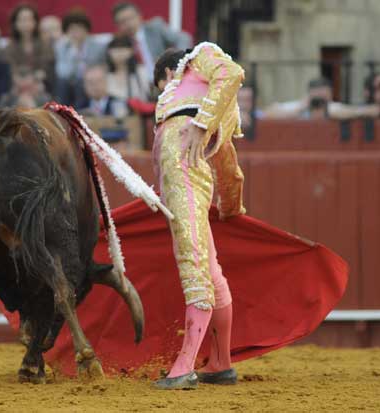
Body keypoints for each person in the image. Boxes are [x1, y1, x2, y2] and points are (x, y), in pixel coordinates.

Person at [152, 43, 246, 390]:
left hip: (181, 168)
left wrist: (200, 122)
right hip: (190, 173)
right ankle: (220, 362)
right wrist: (231, 208)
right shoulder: (220, 107)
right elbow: (229, 166)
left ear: (166, 75)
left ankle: (185, 366)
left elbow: (233, 72)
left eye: (161, 88)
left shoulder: (197, 61)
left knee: (191, 260)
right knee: (210, 269)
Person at [112, 2, 191, 79]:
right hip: (141, 87)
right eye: (122, 21)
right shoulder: (119, 44)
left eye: (130, 18)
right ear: (117, 26)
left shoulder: (155, 27)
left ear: (139, 16)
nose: (128, 24)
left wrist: (179, 62)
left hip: (165, 80)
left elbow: (183, 38)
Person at [54, 9, 105, 106]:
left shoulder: (97, 46)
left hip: (90, 82)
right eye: (72, 29)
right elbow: (62, 72)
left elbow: (98, 69)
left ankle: (79, 113)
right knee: (62, 83)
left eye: (79, 28)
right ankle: (61, 113)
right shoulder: (62, 47)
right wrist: (73, 53)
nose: (76, 32)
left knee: (79, 83)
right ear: (67, 31)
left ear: (86, 29)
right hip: (68, 84)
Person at [0, 3, 54, 91]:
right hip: (17, 86)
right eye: (21, 20)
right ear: (15, 23)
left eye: (29, 19)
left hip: (41, 85)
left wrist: (35, 79)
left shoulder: (45, 45)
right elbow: (10, 70)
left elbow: (47, 67)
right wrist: (22, 81)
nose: (25, 23)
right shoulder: (8, 48)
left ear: (35, 22)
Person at [105, 35, 150, 102]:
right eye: (115, 48)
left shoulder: (140, 71)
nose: (119, 52)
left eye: (123, 48)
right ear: (108, 52)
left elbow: (146, 95)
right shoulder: (104, 75)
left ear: (131, 51)